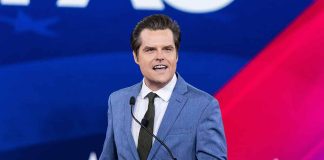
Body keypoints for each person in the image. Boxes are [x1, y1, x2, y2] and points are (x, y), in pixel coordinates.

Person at [99, 14, 227, 160]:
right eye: (150, 50)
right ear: (136, 56)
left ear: (177, 55)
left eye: (167, 49)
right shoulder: (118, 101)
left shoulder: (203, 106)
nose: (160, 56)